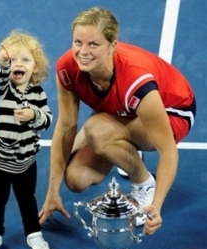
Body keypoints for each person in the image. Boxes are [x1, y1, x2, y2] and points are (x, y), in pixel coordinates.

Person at [38, 7, 196, 235]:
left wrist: (156, 206)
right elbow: (66, 127)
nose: (83, 51)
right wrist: (52, 191)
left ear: (113, 45)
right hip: (123, 110)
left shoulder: (136, 79)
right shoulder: (67, 68)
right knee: (75, 178)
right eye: (78, 42)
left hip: (173, 111)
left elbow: (168, 151)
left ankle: (144, 183)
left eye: (93, 44)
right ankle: (125, 143)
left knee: (96, 130)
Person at [0, 30, 53, 249]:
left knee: (27, 199)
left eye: (25, 59)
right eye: (12, 60)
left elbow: (46, 120)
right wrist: (3, 65)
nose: (18, 64)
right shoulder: (0, 91)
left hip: (26, 162)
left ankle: (34, 234)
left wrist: (33, 115)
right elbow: (0, 79)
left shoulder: (38, 94)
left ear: (35, 67)